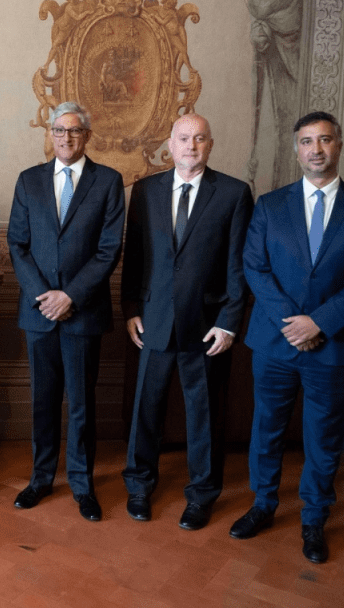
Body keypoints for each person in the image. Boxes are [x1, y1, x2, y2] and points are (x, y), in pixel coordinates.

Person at [232, 111, 344, 564]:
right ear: (296, 148)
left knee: (324, 437)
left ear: (339, 145)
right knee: (266, 429)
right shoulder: (269, 205)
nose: (315, 150)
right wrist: (292, 322)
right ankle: (263, 505)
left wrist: (319, 322)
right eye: (306, 141)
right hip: (275, 342)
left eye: (324, 140)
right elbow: (255, 268)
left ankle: (314, 519)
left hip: (335, 344)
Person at [120, 114, 253, 529]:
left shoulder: (233, 193)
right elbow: (135, 257)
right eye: (183, 138)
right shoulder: (145, 191)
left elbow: (239, 265)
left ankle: (201, 495)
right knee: (146, 407)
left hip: (207, 326)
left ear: (209, 144)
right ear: (170, 144)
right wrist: (130, 309)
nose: (191, 145)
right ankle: (139, 486)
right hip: (153, 321)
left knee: (205, 413)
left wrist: (230, 321)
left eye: (199, 138)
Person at [6, 101, 124, 521]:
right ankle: (40, 479)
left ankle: (82, 484)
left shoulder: (108, 182)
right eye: (59, 131)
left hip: (83, 312)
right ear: (50, 134)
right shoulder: (29, 181)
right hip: (38, 313)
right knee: (42, 400)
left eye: (74, 131)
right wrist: (44, 295)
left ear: (86, 135)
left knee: (81, 403)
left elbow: (109, 249)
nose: (66, 138)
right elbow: (17, 244)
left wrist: (69, 295)